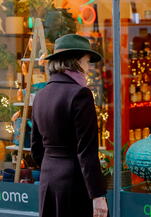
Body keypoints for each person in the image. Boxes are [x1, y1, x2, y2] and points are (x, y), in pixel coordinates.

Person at [31, 34, 108, 217]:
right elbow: (87, 151)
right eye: (87, 62)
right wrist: (97, 195)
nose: (89, 68)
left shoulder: (40, 95)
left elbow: (36, 148)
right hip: (75, 183)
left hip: (48, 180)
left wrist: (52, 168)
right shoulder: (81, 94)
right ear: (76, 61)